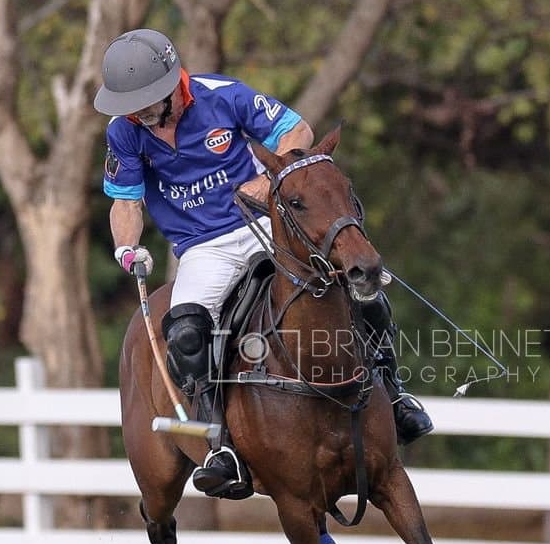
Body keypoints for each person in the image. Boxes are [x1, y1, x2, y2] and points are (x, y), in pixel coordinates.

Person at [94, 29, 432, 500]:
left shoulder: (223, 96)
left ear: (173, 84)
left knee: (357, 289)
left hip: (263, 228)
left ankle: (394, 396)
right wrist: (126, 249)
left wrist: (266, 184)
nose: (140, 112)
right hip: (202, 247)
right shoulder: (125, 133)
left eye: (148, 100)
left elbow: (297, 132)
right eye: (132, 104)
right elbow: (125, 202)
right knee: (186, 331)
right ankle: (220, 446)